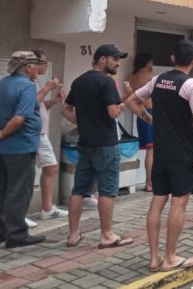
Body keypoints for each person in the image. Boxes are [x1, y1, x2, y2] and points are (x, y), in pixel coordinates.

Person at [126, 40, 193, 272]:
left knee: (157, 201)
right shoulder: (191, 84)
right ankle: (170, 257)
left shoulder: (157, 80)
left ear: (172, 59)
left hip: (161, 152)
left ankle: (154, 258)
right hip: (183, 153)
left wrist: (149, 119)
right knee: (178, 204)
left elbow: (132, 101)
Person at [62, 44, 135, 249]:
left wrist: (83, 121)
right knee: (107, 190)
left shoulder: (79, 81)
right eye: (115, 59)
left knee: (79, 189)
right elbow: (112, 113)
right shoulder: (106, 81)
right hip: (105, 143)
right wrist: (126, 101)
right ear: (103, 59)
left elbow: (66, 109)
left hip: (85, 144)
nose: (118, 63)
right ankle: (107, 235)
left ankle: (73, 235)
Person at [0, 51, 46, 248]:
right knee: (19, 191)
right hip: (20, 148)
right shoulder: (27, 86)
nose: (38, 69)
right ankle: (16, 234)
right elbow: (19, 119)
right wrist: (1, 133)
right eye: (36, 65)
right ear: (28, 67)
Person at [32, 50, 68, 225]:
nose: (45, 65)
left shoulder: (36, 81)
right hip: (34, 133)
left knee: (50, 167)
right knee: (48, 167)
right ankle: (45, 208)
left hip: (40, 132)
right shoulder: (29, 82)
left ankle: (47, 208)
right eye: (43, 62)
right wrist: (47, 88)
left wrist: (55, 99)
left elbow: (40, 105)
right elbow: (30, 103)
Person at [127, 52, 156, 192]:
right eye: (151, 61)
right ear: (146, 62)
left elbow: (130, 97)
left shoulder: (131, 77)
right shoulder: (150, 77)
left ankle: (149, 182)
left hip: (140, 115)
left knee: (150, 150)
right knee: (152, 151)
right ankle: (149, 183)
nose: (152, 64)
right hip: (150, 114)